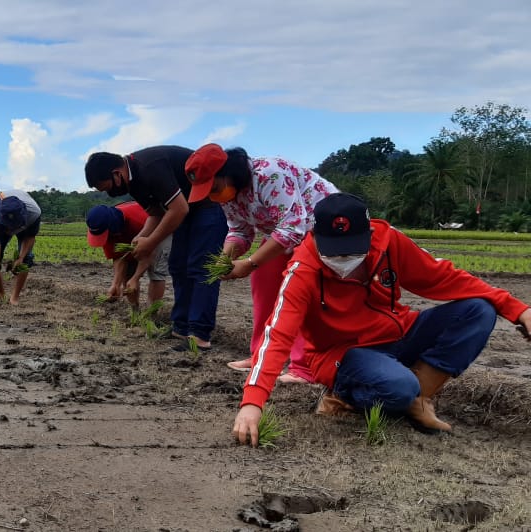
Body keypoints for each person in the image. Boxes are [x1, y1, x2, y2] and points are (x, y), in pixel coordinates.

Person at [231, 193, 531, 446]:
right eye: (334, 254)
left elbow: (444, 278)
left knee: (478, 310)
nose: (342, 261)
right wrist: (252, 403)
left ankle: (420, 398)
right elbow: (278, 335)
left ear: (369, 235)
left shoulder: (389, 243)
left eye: (352, 251)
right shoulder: (302, 271)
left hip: (399, 334)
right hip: (343, 353)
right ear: (315, 238)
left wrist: (519, 310)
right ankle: (345, 396)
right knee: (397, 388)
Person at [185, 144, 339, 383]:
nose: (212, 196)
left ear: (229, 173)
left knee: (299, 289)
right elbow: (240, 231)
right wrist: (226, 258)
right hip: (282, 232)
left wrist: (249, 263)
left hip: (318, 229)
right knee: (263, 284)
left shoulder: (270, 174)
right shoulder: (228, 195)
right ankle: (264, 356)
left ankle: (305, 366)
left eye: (213, 187)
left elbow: (292, 227)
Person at [85, 147, 228, 349]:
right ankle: (181, 327)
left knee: (201, 268)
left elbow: (179, 208)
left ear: (116, 173)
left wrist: (151, 242)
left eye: (107, 187)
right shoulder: (133, 183)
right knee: (178, 266)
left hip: (207, 206)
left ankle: (199, 334)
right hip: (187, 212)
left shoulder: (148, 167)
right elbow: (156, 213)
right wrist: (142, 236)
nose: (109, 193)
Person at [85, 201, 171, 309]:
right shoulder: (103, 229)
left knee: (156, 273)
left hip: (159, 230)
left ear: (112, 228)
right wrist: (116, 284)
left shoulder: (138, 221)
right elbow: (118, 257)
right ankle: (135, 310)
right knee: (127, 277)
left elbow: (150, 253)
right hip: (132, 238)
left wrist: (136, 278)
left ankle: (151, 313)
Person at [0, 190, 41, 306]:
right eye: (8, 228)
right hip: (2, 217)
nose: (11, 231)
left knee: (26, 260)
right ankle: (0, 293)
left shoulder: (34, 214)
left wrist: (20, 258)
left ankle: (14, 298)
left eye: (13, 227)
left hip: (26, 222)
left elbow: (30, 238)